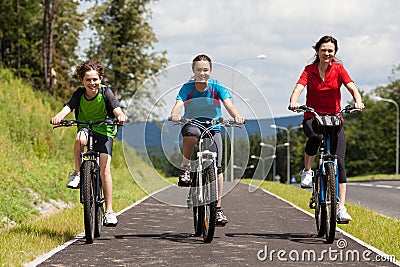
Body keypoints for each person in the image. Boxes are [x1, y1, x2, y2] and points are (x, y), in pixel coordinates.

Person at [288, 36, 365, 223]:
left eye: (330, 51)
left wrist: (358, 101)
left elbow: (352, 87)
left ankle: (341, 208)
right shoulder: (309, 70)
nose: (327, 53)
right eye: (324, 50)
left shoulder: (338, 69)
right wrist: (293, 102)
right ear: (317, 51)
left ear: (335, 53)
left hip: (334, 119)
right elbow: (298, 87)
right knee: (314, 138)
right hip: (313, 117)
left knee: (339, 162)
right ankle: (307, 171)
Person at [170, 54, 245, 226]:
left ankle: (217, 209)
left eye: (205, 70)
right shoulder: (188, 87)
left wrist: (237, 116)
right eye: (199, 70)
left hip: (213, 127)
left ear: (210, 71)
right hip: (193, 124)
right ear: (193, 71)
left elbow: (229, 104)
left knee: (217, 169)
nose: (202, 73)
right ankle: (186, 167)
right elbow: (179, 102)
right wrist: (175, 113)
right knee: (191, 135)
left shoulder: (217, 87)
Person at [51, 60, 127, 226]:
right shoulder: (79, 94)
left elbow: (116, 107)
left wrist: (120, 115)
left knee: (104, 170)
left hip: (105, 130)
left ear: (100, 79)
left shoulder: (105, 92)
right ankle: (78, 173)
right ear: (82, 81)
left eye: (95, 79)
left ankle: (109, 211)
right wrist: (59, 117)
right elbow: (68, 107)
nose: (92, 83)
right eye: (88, 80)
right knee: (80, 139)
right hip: (86, 127)